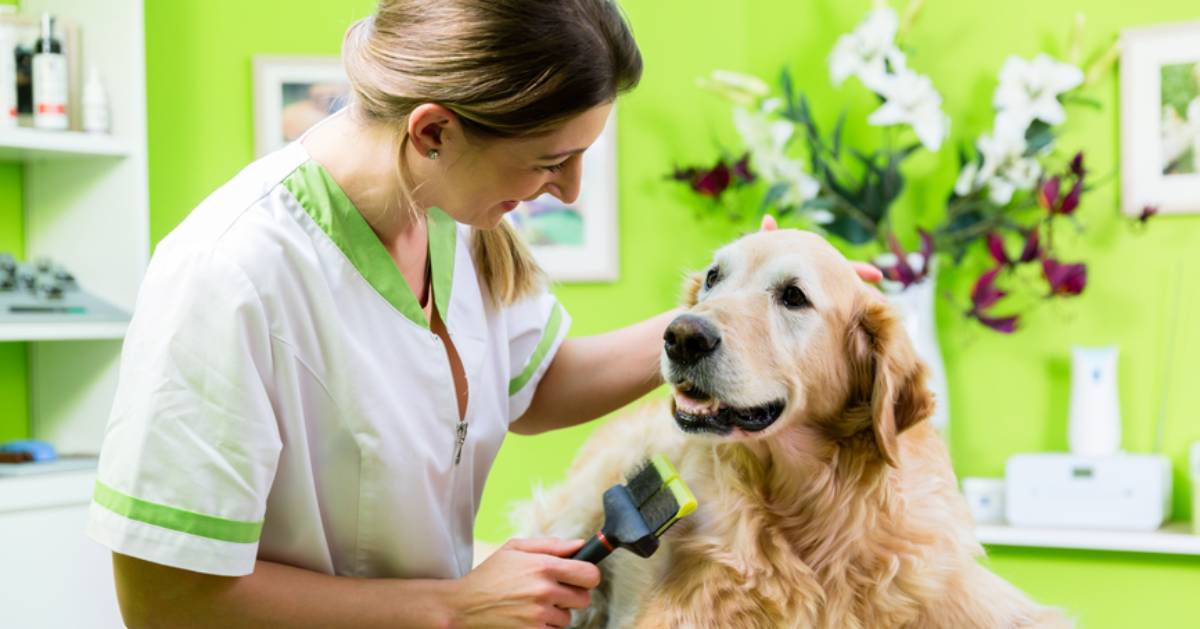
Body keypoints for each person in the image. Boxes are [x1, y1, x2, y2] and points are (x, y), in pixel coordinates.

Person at [85, 2, 880, 627]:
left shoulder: (453, 223)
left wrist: (725, 327)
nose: (568, 192)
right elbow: (165, 603)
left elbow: (534, 388)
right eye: (549, 162)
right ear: (433, 130)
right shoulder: (231, 275)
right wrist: (453, 607)